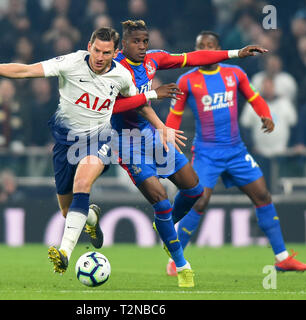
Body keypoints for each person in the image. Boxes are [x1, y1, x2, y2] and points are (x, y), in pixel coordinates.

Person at [0, 27, 182, 276]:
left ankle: (64, 253)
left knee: (83, 181)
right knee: (67, 211)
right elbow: (27, 70)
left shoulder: (121, 76)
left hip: (100, 138)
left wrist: (161, 127)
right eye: (96, 50)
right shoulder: (70, 63)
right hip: (66, 143)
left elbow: (140, 104)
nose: (100, 56)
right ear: (89, 47)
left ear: (114, 53)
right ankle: (90, 218)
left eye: (106, 52)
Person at [112, 20, 267, 287]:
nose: (141, 46)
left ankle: (166, 226)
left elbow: (195, 57)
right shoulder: (113, 68)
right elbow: (115, 106)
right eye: (135, 42)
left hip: (150, 133)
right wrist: (152, 94)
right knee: (160, 199)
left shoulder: (152, 60)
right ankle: (182, 265)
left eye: (144, 41)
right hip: (127, 141)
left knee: (194, 190)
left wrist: (234, 53)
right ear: (123, 44)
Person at [165, 31, 306, 276]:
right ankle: (176, 259)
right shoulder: (187, 81)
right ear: (196, 51)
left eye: (211, 46)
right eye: (202, 46)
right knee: (198, 200)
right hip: (206, 152)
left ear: (219, 48)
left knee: (263, 195)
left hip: (236, 150)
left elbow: (255, 98)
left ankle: (282, 258)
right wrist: (168, 137)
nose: (207, 50)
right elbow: (175, 114)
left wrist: (265, 114)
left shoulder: (235, 74)